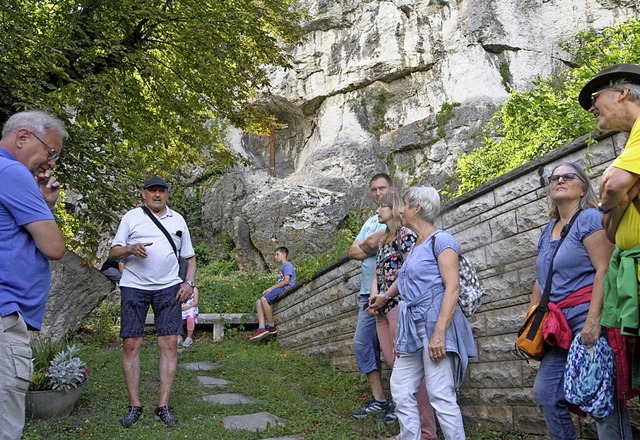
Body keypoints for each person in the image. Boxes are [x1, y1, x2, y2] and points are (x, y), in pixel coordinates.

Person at [528, 163, 632, 439]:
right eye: (554, 178)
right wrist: (532, 318)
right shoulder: (547, 230)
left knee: (602, 400)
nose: (560, 180)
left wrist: (593, 322)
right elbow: (541, 278)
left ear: (583, 187)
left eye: (568, 176)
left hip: (587, 316)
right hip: (557, 327)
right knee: (547, 394)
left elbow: (605, 268)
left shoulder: (588, 218)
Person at [370, 186, 476, 440]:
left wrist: (439, 333)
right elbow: (406, 279)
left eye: (404, 205)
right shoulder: (417, 245)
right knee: (401, 387)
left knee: (440, 393)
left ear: (417, 208)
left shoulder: (443, 241)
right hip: (412, 329)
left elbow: (453, 288)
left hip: (433, 324)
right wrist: (386, 296)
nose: (401, 210)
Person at [0, 110, 67, 440]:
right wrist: (45, 209)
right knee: (6, 423)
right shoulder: (12, 172)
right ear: (23, 137)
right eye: (50, 152)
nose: (51, 163)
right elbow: (54, 247)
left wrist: (44, 205)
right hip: (4, 316)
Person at [109, 176, 196, 428]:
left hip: (169, 287)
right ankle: (135, 406)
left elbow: (189, 258)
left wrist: (188, 284)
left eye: (161, 191)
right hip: (134, 286)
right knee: (131, 344)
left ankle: (163, 406)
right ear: (143, 194)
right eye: (152, 191)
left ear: (167, 194)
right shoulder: (131, 218)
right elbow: (113, 253)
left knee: (169, 343)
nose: (157, 195)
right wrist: (130, 248)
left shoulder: (178, 220)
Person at [368, 192, 437, 438]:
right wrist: (374, 297)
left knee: (409, 373)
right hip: (382, 310)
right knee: (396, 369)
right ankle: (409, 430)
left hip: (399, 307)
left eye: (381, 207)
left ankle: (427, 432)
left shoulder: (405, 235)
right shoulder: (385, 239)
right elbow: (378, 272)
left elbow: (409, 271)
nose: (377, 212)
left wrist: (387, 296)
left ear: (394, 208)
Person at [348, 173, 395, 420]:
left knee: (396, 349)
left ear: (392, 188)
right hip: (367, 293)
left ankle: (402, 405)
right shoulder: (371, 221)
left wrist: (367, 247)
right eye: (374, 190)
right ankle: (380, 400)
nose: (378, 194)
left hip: (392, 293)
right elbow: (352, 251)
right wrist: (369, 245)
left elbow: (390, 245)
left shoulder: (400, 216)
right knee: (362, 343)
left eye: (382, 188)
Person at [250, 246, 296, 341]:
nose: (275, 257)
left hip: (285, 288)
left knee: (264, 299)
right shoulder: (282, 266)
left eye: (277, 254)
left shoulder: (287, 265)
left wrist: (271, 288)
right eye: (275, 255)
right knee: (258, 302)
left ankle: (271, 326)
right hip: (281, 287)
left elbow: (286, 281)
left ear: (284, 255)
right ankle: (262, 328)